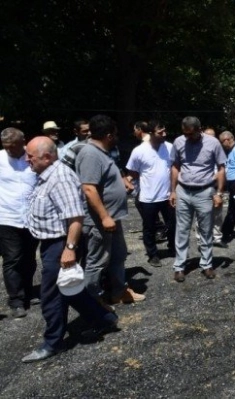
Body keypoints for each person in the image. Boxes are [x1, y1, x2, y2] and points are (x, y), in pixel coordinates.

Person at [22, 136, 118, 363]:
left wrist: (69, 249)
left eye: (30, 156)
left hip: (62, 243)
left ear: (46, 157)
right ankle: (104, 318)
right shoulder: (45, 175)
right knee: (70, 289)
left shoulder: (61, 178)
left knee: (51, 296)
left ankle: (52, 343)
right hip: (52, 244)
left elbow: (75, 218)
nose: (27, 160)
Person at [75, 115, 144, 307]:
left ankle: (119, 291)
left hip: (113, 217)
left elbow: (106, 177)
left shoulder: (102, 152)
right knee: (97, 262)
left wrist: (122, 182)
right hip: (101, 220)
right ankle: (93, 302)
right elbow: (88, 188)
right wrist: (104, 216)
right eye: (114, 134)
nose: (116, 137)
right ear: (107, 135)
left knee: (118, 255)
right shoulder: (90, 154)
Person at [170, 116, 227, 282]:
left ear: (199, 130)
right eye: (185, 134)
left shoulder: (213, 143)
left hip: (205, 192)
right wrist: (172, 191)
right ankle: (179, 266)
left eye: (191, 134)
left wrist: (219, 193)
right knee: (181, 230)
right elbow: (175, 166)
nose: (187, 138)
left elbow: (222, 168)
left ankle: (206, 264)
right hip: (183, 191)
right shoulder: (178, 142)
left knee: (206, 230)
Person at [0, 128, 39, 318]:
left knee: (29, 258)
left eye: (13, 147)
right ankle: (15, 300)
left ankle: (28, 292)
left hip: (32, 217)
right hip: (7, 217)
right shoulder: (0, 159)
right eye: (6, 147)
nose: (9, 151)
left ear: (23, 142)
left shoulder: (33, 159)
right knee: (12, 258)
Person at [126, 120, 176, 267]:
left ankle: (173, 248)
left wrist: (174, 190)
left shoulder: (169, 147)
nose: (164, 134)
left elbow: (174, 168)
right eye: (160, 133)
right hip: (148, 197)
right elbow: (133, 172)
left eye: (165, 131)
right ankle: (152, 254)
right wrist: (129, 181)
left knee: (173, 225)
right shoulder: (139, 151)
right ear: (150, 133)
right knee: (149, 228)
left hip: (168, 195)